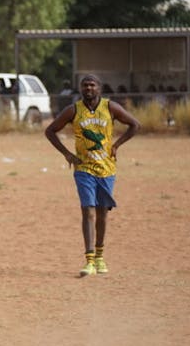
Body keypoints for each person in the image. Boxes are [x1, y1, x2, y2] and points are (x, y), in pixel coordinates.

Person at [45, 74, 140, 277]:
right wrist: (67, 153)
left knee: (102, 213)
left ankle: (99, 256)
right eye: (85, 85)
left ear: (99, 88)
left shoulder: (110, 107)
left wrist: (116, 145)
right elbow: (50, 130)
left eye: (92, 85)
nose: (89, 88)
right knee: (87, 211)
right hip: (83, 169)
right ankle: (88, 260)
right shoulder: (73, 110)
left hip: (107, 168)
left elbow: (135, 125)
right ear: (80, 89)